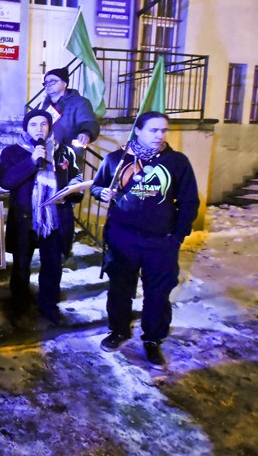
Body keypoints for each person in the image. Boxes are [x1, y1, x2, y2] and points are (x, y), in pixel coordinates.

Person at [91, 111, 199, 368]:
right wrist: (101, 192)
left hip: (160, 242)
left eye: (163, 130)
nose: (159, 135)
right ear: (138, 130)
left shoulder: (177, 162)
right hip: (122, 239)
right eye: (153, 130)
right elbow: (97, 186)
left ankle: (152, 340)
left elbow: (189, 201)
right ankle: (118, 331)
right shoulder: (116, 159)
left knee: (157, 293)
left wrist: (177, 236)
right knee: (120, 289)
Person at [0, 109, 83, 325]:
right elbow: (6, 181)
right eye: (33, 124)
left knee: (53, 265)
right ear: (26, 128)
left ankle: (49, 305)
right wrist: (32, 161)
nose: (39, 129)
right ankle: (19, 305)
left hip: (55, 219)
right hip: (26, 219)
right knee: (22, 265)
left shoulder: (64, 152)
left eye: (43, 124)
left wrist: (73, 193)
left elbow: (76, 180)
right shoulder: (12, 152)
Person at [40, 67, 101, 148]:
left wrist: (86, 133)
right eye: (46, 82)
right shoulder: (43, 105)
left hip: (68, 152)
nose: (48, 85)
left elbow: (88, 122)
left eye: (53, 81)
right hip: (44, 151)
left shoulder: (79, 103)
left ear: (65, 83)